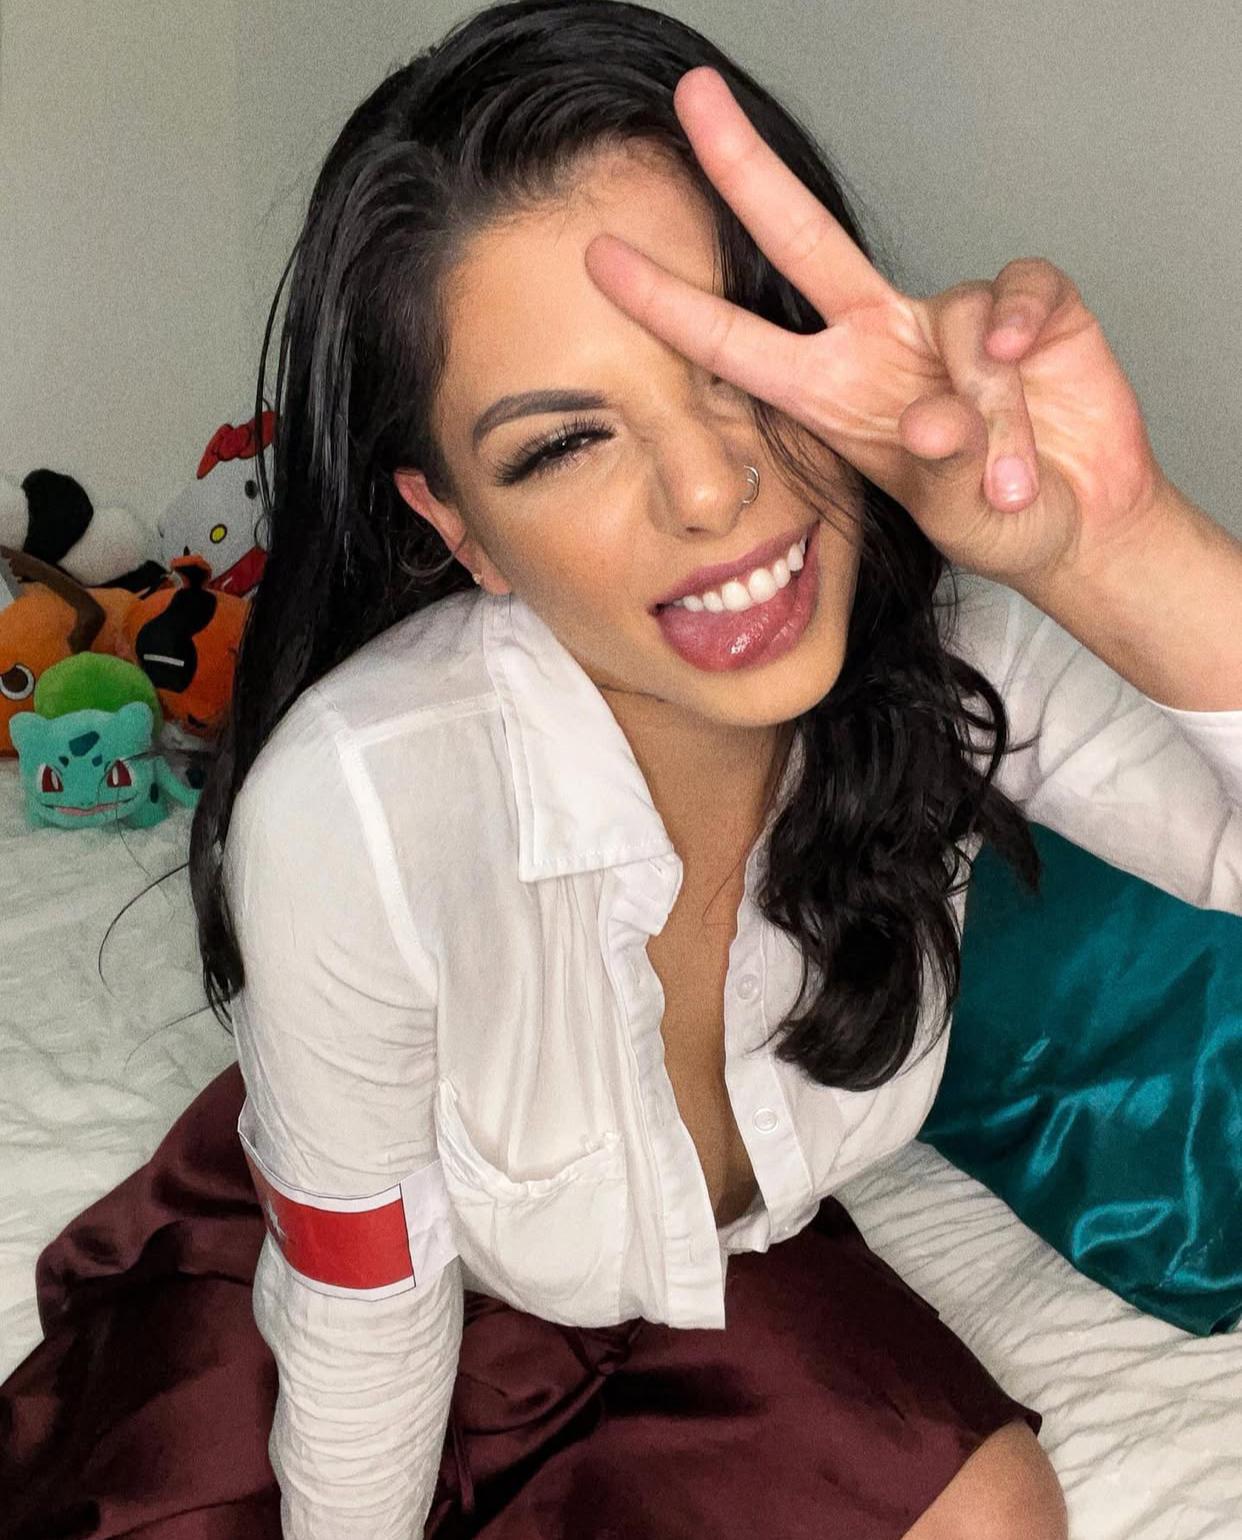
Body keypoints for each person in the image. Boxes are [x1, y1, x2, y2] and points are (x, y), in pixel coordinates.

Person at [175, 1, 1242, 1536]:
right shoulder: (356, 808)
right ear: (458, 524)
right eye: (563, 444)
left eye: (734, 364)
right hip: (364, 1278)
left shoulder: (950, 651)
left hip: (712, 1273)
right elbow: (363, 1302)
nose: (708, 486)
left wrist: (1121, 546)